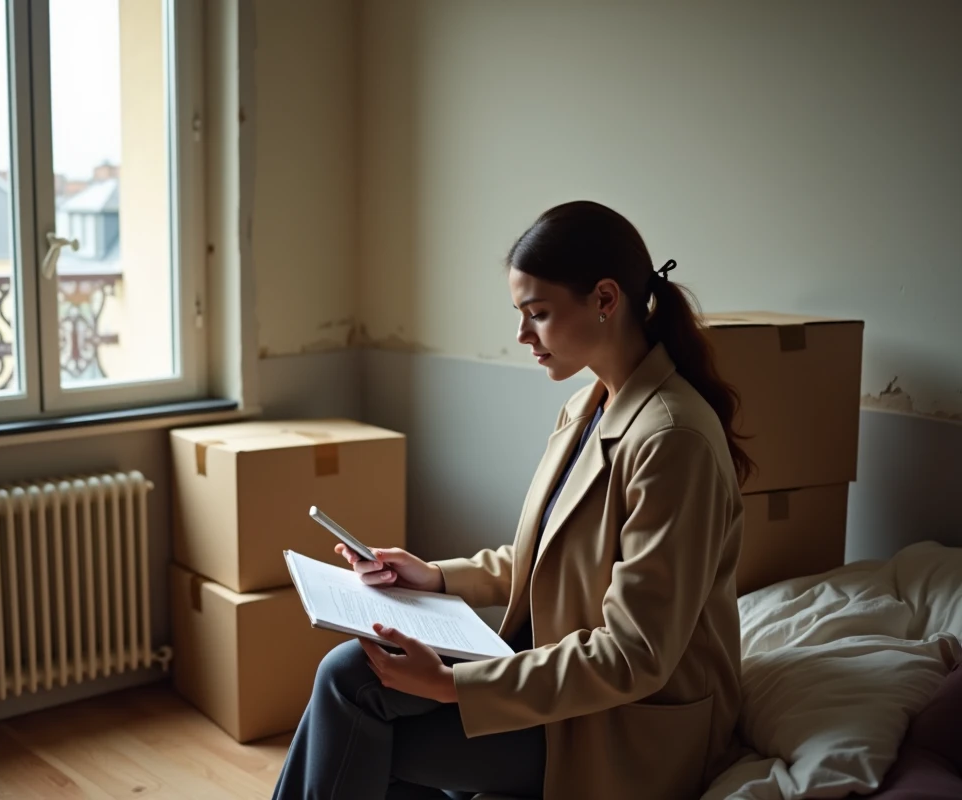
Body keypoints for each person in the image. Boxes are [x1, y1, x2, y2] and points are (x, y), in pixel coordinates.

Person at [271, 200, 751, 800]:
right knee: (350, 672)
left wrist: (450, 686)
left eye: (539, 314)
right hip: (559, 682)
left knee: (360, 733)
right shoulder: (588, 407)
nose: (523, 335)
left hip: (622, 728)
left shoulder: (672, 440)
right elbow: (550, 553)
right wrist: (434, 577)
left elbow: (636, 654)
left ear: (605, 299)